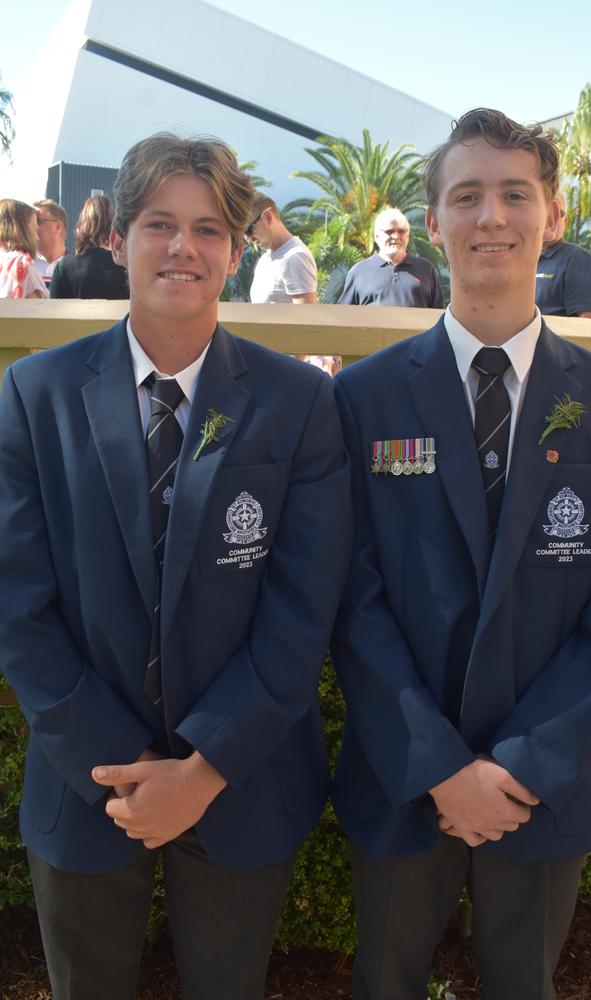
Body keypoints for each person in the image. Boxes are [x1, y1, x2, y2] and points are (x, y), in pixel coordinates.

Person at [0, 132, 351, 1000]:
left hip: (243, 779)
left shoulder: (299, 403)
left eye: (206, 229)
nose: (182, 248)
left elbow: (303, 607)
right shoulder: (33, 397)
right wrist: (122, 768)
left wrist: (201, 771)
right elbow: (17, 603)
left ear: (234, 252)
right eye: (160, 224)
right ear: (117, 239)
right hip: (88, 786)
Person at [331, 108, 591, 1000]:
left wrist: (520, 767)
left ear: (550, 217)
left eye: (516, 195)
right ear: (432, 223)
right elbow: (349, 599)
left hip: (542, 787)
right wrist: (439, 765)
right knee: (384, 983)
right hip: (404, 775)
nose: (492, 217)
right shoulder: (359, 402)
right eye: (466, 196)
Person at [337, 206, 444, 307]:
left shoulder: (425, 269)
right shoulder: (358, 272)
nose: (396, 236)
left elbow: (438, 315)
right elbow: (343, 316)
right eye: (389, 231)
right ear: (376, 236)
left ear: (407, 236)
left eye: (401, 231)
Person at [535, 193, 591, 317]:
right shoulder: (523, 258)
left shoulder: (578, 259)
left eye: (559, 213)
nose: (552, 219)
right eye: (547, 211)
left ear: (565, 221)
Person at [49, 194, 129, 299]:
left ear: (82, 226)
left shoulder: (64, 268)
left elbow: (53, 311)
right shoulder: (126, 268)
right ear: (112, 226)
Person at [247, 193, 317, 304]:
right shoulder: (265, 259)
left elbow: (306, 318)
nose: (247, 238)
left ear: (267, 217)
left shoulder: (296, 258)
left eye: (248, 229)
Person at [0, 198, 48, 298]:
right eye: (35, 230)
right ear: (22, 231)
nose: (38, 238)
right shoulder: (21, 264)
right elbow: (39, 310)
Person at [33, 198, 68, 288]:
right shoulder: (24, 265)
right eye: (31, 221)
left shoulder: (76, 268)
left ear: (58, 227)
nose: (33, 226)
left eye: (38, 220)